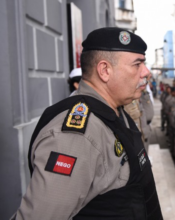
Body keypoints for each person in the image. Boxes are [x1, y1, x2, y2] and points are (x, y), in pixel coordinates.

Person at [13, 27, 162, 219]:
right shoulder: (76, 136)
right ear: (105, 71)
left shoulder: (115, 111)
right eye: (137, 64)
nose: (146, 72)